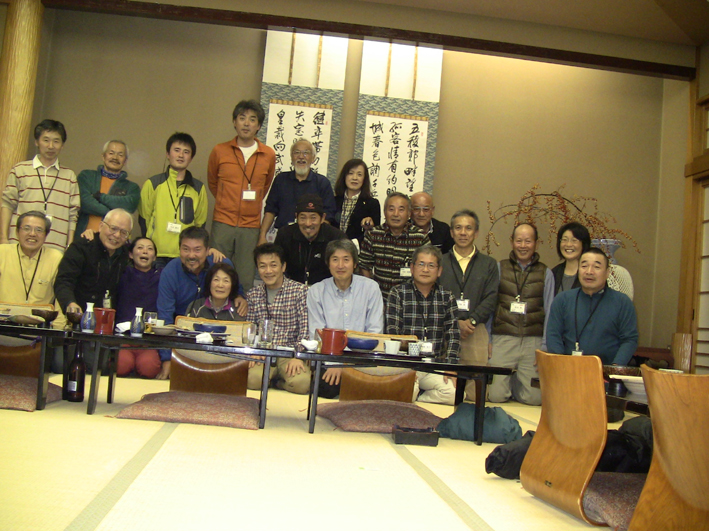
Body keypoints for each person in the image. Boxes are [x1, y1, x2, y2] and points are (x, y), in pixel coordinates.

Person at [156, 226, 246, 379]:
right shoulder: (170, 272)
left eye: (197, 250)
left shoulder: (219, 263)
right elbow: (165, 317)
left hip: (217, 331)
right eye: (186, 249)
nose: (191, 255)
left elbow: (235, 287)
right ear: (179, 250)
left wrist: (240, 297)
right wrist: (167, 358)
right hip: (183, 332)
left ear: (207, 250)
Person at [208, 100, 276, 291]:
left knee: (245, 278)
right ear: (234, 122)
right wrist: (226, 201)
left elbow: (264, 187)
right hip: (223, 222)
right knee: (216, 274)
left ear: (259, 126)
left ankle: (242, 309)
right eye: (242, 118)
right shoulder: (220, 150)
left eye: (252, 119)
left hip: (250, 226)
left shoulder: (268, 154)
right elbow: (213, 183)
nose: (246, 123)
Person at [307, 239, 384, 398]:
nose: (340, 265)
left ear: (355, 264)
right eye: (335, 259)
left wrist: (346, 365)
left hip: (361, 360)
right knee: (325, 388)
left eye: (346, 260)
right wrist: (335, 364)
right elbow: (318, 335)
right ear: (328, 263)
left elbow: (374, 333)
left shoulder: (371, 288)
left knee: (371, 389)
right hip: (329, 359)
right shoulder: (316, 291)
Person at [386, 244, 460, 405]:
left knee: (454, 394)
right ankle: (414, 394)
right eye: (421, 264)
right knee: (404, 393)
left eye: (431, 265)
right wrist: (401, 366)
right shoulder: (398, 293)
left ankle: (420, 398)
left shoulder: (447, 297)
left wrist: (451, 366)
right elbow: (393, 333)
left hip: (434, 365)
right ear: (412, 268)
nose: (425, 270)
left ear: (439, 271)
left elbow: (453, 335)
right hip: (407, 365)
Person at [439, 209, 499, 400]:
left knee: (476, 390)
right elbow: (435, 296)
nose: (463, 233)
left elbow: (491, 297)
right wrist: (455, 322)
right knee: (446, 386)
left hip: (476, 329)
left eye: (468, 228)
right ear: (451, 232)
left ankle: (472, 418)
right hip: (446, 329)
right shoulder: (440, 261)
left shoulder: (488, 264)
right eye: (458, 228)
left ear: (476, 233)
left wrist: (471, 321)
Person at [545, 247, 639, 366]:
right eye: (584, 266)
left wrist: (615, 367)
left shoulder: (622, 302)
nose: (589, 271)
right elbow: (553, 335)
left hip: (605, 372)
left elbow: (629, 339)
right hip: (568, 369)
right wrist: (561, 364)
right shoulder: (563, 299)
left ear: (607, 273)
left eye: (596, 267)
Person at [488, 223, 547, 406]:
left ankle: (515, 381)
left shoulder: (546, 273)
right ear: (512, 242)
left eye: (528, 241)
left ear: (536, 243)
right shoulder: (500, 268)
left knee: (534, 399)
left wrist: (544, 346)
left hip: (533, 340)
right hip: (503, 337)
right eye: (519, 240)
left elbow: (550, 311)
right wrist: (488, 339)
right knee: (495, 396)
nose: (523, 245)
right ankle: (509, 382)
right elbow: (490, 305)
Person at [1, 119, 79, 251]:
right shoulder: (19, 170)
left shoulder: (70, 176)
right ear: (37, 142)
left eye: (56, 141)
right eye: (46, 140)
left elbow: (73, 215)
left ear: (62, 145)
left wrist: (69, 245)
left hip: (55, 247)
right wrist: (3, 238)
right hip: (18, 243)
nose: (51, 146)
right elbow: (7, 204)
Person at [246, 243, 310, 394]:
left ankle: (278, 383)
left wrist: (298, 356)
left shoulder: (300, 291)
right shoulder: (253, 294)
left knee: (302, 384)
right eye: (262, 266)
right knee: (251, 380)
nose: (268, 271)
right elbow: (251, 329)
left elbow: (305, 329)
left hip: (289, 354)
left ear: (283, 266)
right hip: (263, 354)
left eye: (273, 265)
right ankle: (271, 379)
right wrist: (252, 352)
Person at [139, 132, 208, 268]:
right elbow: (144, 219)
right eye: (176, 150)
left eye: (186, 152)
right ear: (167, 154)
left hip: (185, 255)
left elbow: (200, 224)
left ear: (191, 158)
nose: (181, 155)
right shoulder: (153, 183)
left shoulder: (198, 188)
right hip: (156, 253)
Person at [258, 139, 337, 244]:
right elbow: (270, 210)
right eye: (296, 152)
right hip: (284, 236)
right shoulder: (281, 179)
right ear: (291, 157)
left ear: (313, 158)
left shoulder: (322, 183)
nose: (301, 157)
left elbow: (328, 215)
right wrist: (262, 236)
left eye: (306, 153)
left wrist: (316, 237)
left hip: (312, 238)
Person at [359, 191, 430, 301]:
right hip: (379, 299)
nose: (396, 214)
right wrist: (372, 295)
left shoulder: (420, 237)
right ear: (384, 212)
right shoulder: (373, 235)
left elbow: (428, 269)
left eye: (401, 210)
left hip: (410, 301)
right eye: (391, 209)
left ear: (409, 213)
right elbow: (364, 267)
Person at [114, 237, 162, 379]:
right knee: (121, 365)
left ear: (155, 257)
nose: (145, 251)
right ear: (130, 254)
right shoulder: (121, 273)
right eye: (140, 247)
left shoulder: (162, 276)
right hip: (123, 337)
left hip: (148, 340)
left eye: (150, 249)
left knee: (149, 368)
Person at [273, 194, 347, 286]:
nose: (308, 224)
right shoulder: (284, 235)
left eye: (313, 218)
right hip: (291, 289)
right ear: (296, 217)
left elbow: (344, 271)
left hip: (327, 289)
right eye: (303, 218)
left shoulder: (336, 237)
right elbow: (275, 266)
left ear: (322, 218)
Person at [74, 140, 140, 240]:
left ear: (125, 161)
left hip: (114, 241)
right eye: (111, 153)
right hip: (84, 238)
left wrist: (99, 197)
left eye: (120, 155)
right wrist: (115, 215)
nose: (115, 158)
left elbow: (129, 206)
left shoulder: (132, 187)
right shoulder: (87, 176)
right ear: (103, 156)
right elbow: (84, 202)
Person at [0, 211, 63, 307]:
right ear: (17, 232)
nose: (32, 234)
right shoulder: (2, 252)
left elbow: (62, 292)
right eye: (26, 229)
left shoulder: (55, 258)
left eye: (39, 230)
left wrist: (59, 318)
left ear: (46, 235)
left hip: (40, 315)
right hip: (4, 314)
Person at [332, 159, 380, 244]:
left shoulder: (372, 204)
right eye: (351, 173)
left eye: (359, 174)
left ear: (364, 179)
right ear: (344, 176)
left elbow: (375, 233)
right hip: (334, 247)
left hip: (358, 249)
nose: (355, 178)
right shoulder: (334, 201)